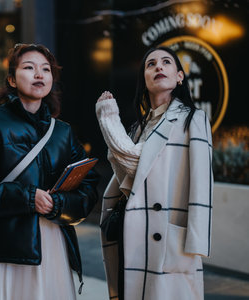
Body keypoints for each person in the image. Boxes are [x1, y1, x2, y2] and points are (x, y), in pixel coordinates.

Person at [0, 43, 100, 300]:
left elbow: (89, 184)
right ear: (12, 80)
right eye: (29, 68)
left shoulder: (62, 132)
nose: (39, 74)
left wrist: (58, 203)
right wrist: (28, 198)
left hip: (55, 243)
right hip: (7, 248)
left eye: (46, 70)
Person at [95, 46, 213, 299]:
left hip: (168, 235)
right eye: (151, 64)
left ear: (180, 76)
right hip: (134, 230)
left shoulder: (193, 118)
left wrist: (108, 120)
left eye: (166, 62)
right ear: (145, 80)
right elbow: (126, 174)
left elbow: (202, 182)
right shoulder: (138, 127)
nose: (158, 66)